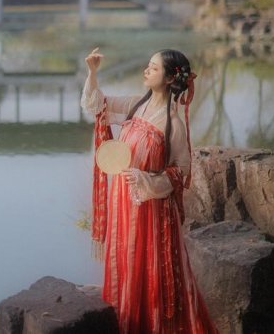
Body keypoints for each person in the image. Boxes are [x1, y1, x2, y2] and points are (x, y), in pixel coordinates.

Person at [81, 48, 218, 334]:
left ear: (169, 78)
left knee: (150, 272)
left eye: (153, 68)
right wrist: (92, 73)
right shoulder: (134, 106)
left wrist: (147, 180)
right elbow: (96, 105)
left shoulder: (173, 125)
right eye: (148, 65)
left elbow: (182, 170)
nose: (146, 70)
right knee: (126, 265)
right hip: (122, 203)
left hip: (151, 212)